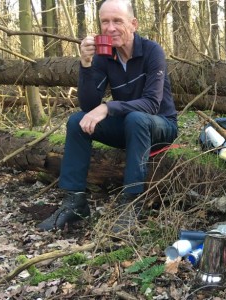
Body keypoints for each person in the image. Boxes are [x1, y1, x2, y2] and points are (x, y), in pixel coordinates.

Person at [38, 0, 178, 233]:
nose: (110, 28)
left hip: (161, 126)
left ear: (133, 24)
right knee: (76, 122)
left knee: (137, 118)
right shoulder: (105, 56)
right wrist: (85, 64)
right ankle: (75, 201)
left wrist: (108, 107)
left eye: (117, 21)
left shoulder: (152, 52)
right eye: (105, 22)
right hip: (128, 128)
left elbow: (152, 104)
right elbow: (89, 105)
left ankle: (131, 203)